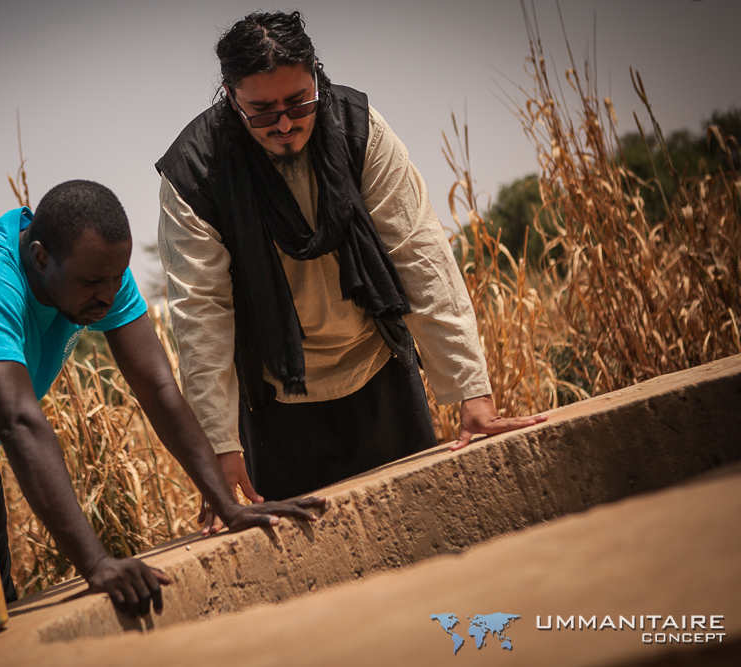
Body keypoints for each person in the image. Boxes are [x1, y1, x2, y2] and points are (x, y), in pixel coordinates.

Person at [0, 180, 325, 664]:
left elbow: (158, 388)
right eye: (93, 282)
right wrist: (96, 564)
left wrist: (227, 504)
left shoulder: (100, 274)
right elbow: (19, 422)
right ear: (39, 256)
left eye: (116, 279)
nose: (108, 294)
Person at [155, 11, 545, 521]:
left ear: (316, 77)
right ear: (231, 97)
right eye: (261, 110)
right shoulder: (195, 173)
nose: (285, 123)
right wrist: (220, 452)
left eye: (299, 101)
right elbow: (201, 316)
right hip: (276, 400)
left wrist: (473, 395)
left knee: (423, 531)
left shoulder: (359, 128)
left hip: (380, 368)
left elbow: (420, 255)